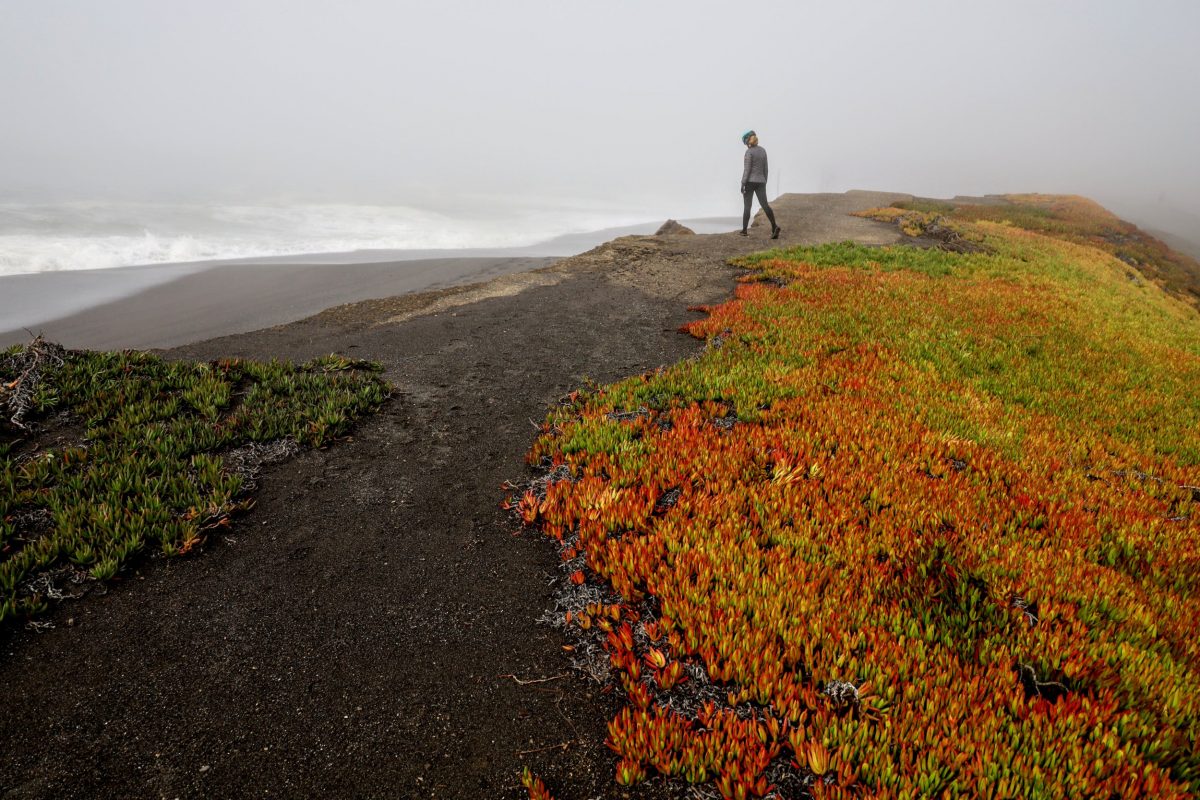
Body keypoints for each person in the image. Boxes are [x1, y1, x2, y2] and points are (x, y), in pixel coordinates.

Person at [740, 130, 780, 239]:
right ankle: (774, 226)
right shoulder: (763, 151)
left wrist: (743, 183)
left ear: (748, 141)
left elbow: (747, 170)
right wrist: (764, 181)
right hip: (761, 181)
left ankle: (744, 230)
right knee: (765, 205)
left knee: (747, 206)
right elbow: (766, 169)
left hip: (749, 182)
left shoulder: (749, 152)